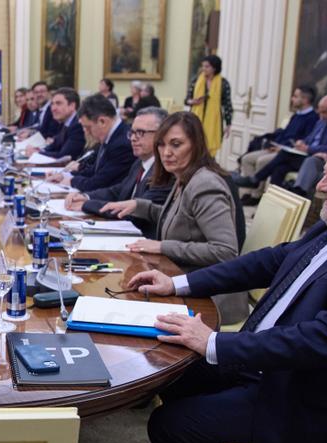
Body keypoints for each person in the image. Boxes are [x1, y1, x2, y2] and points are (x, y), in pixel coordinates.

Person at [131, 136, 327, 443]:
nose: (320, 188)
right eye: (324, 175)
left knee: (170, 425)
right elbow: (270, 261)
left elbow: (326, 339)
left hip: (306, 400)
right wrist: (179, 283)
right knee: (165, 369)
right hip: (265, 364)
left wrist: (215, 342)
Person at [101, 112, 248, 325]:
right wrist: (140, 205)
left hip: (212, 298)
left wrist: (163, 246)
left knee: (117, 306)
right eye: (161, 145)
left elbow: (225, 251)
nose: (166, 152)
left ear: (196, 145)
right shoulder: (185, 177)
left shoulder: (205, 184)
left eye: (176, 144)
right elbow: (181, 220)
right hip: (185, 282)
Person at [65, 106, 174, 236]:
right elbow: (119, 191)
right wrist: (86, 196)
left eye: (140, 132)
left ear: (161, 135)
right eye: (132, 132)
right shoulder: (140, 162)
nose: (133, 138)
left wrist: (87, 204)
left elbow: (134, 212)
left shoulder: (165, 171)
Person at [232, 94, 327, 189]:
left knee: (284, 154)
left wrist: (308, 149)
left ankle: (255, 180)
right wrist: (301, 143)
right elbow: (310, 138)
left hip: (316, 160)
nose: (320, 116)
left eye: (324, 112)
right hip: (304, 154)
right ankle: (272, 204)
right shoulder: (321, 120)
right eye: (319, 111)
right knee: (279, 169)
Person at [238, 85, 318, 205]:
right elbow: (285, 133)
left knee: (261, 161)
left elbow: (303, 140)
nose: (292, 99)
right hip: (277, 148)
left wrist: (282, 147)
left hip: (289, 152)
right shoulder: (296, 115)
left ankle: (257, 195)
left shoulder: (313, 118)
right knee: (247, 159)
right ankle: (249, 192)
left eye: (295, 96)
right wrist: (274, 144)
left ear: (305, 100)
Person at [47, 93, 134, 191]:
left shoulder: (121, 144)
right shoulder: (111, 136)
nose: (85, 132)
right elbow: (94, 170)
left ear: (102, 122)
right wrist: (64, 175)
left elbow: (98, 183)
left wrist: (71, 180)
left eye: (87, 127)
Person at [186, 55, 233, 155]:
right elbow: (187, 100)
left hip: (214, 121)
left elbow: (227, 104)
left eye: (207, 66)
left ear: (214, 68)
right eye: (203, 66)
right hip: (196, 118)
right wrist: (193, 102)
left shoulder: (223, 83)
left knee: (209, 151)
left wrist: (228, 123)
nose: (204, 69)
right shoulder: (196, 81)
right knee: (193, 148)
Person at [25, 87, 85, 161]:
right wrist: (39, 149)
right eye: (52, 104)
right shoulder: (63, 122)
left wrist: (37, 153)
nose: (53, 108)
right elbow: (54, 145)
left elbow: (64, 156)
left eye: (58, 103)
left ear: (72, 106)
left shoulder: (78, 125)